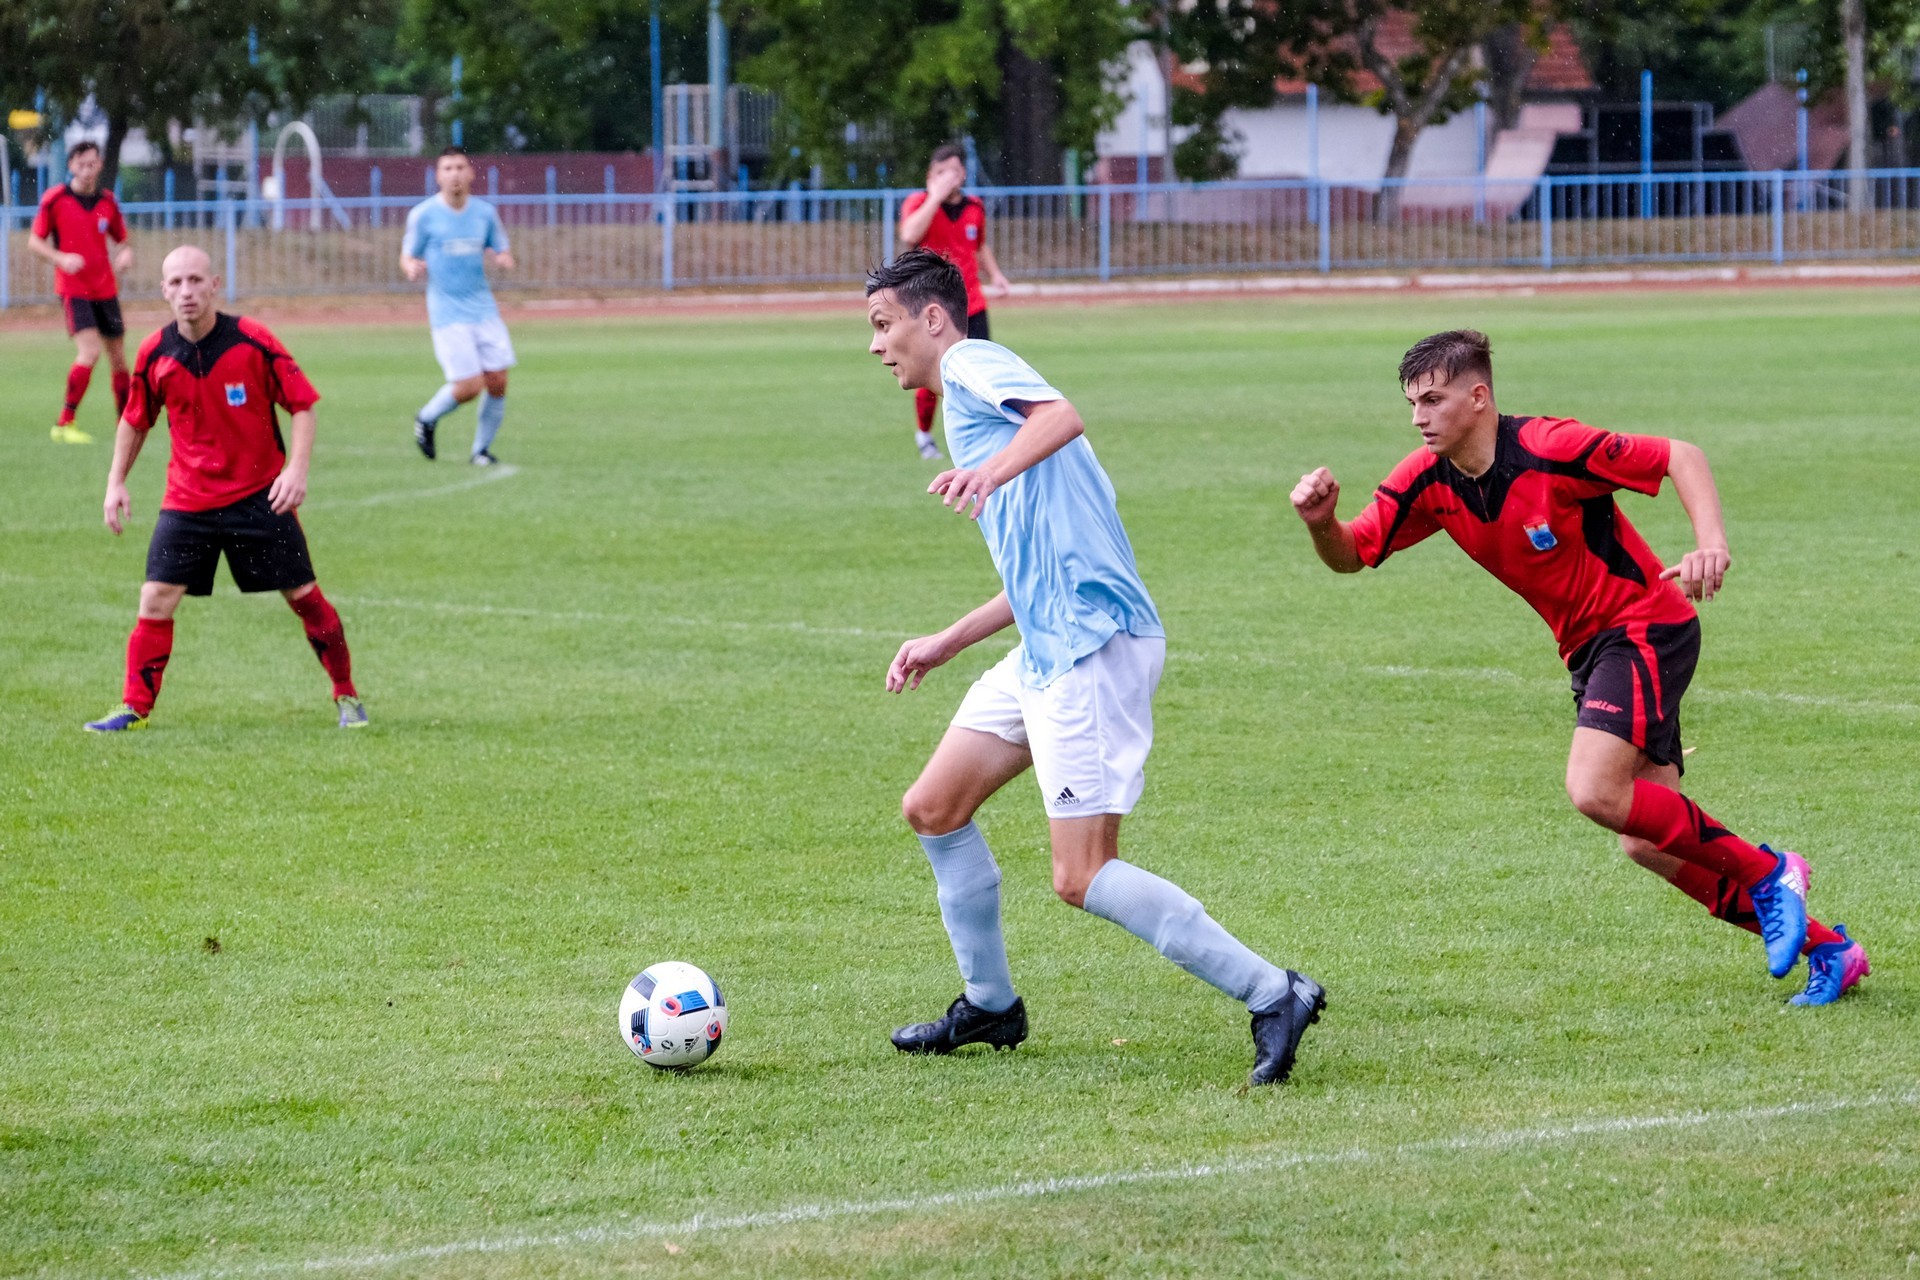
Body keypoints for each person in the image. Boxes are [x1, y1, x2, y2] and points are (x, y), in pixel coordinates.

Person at [1288, 329, 1868, 1007]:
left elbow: (1680, 455)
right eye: (1412, 403)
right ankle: (1831, 951)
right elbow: (1353, 552)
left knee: (1593, 790)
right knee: (1647, 842)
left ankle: (1772, 872)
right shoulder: (1428, 478)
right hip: (1591, 652)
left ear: (1479, 398)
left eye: (1434, 400)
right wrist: (1321, 523)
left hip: (1645, 626)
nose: (1419, 417)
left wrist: (1710, 543)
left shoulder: (1549, 446)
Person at [866, 249, 1324, 1085]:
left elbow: (1063, 415)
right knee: (934, 807)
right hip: (1047, 644)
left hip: (1090, 648)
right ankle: (991, 1006)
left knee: (1081, 875)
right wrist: (947, 639)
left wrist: (986, 472)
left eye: (882, 323)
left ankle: (1273, 992)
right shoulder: (975, 409)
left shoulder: (969, 364)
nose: (875, 345)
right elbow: (1037, 569)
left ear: (931, 319)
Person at [85, 245, 366, 733]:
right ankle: (134, 709)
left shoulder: (253, 340)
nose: (186, 292)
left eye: (196, 280)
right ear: (164, 291)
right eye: (176, 283)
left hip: (259, 495)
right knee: (155, 598)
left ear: (215, 285)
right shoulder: (155, 352)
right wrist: (116, 482)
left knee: (304, 596)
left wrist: (296, 470)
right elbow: (135, 420)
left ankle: (346, 694)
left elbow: (302, 405)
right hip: (188, 500)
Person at [400, 146, 516, 466]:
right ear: (438, 176)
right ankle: (426, 417)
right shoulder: (424, 215)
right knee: (469, 386)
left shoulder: (484, 213)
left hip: (483, 308)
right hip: (447, 312)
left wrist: (503, 258)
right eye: (448, 168)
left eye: (460, 167)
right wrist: (411, 267)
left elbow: (501, 247)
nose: (455, 174)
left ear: (471, 173)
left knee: (498, 381)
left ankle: (481, 451)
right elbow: (407, 255)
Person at [896, 143, 1012, 461]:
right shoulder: (919, 202)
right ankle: (924, 433)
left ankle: (984, 434)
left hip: (972, 304)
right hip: (933, 308)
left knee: (981, 370)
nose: (948, 177)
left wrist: (996, 275)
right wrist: (935, 196)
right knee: (932, 372)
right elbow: (909, 234)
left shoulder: (975, 206)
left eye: (954, 171)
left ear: (962, 174)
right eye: (941, 172)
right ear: (930, 176)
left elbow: (980, 246)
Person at [28, 140, 134, 445]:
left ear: (99, 165)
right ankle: (64, 423)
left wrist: (125, 253)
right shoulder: (56, 199)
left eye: (92, 164)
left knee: (119, 358)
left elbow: (123, 239)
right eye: (81, 164)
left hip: (105, 288)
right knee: (90, 352)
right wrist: (60, 258)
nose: (87, 170)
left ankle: (126, 422)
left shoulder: (107, 202)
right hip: (74, 289)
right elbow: (34, 241)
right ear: (71, 165)